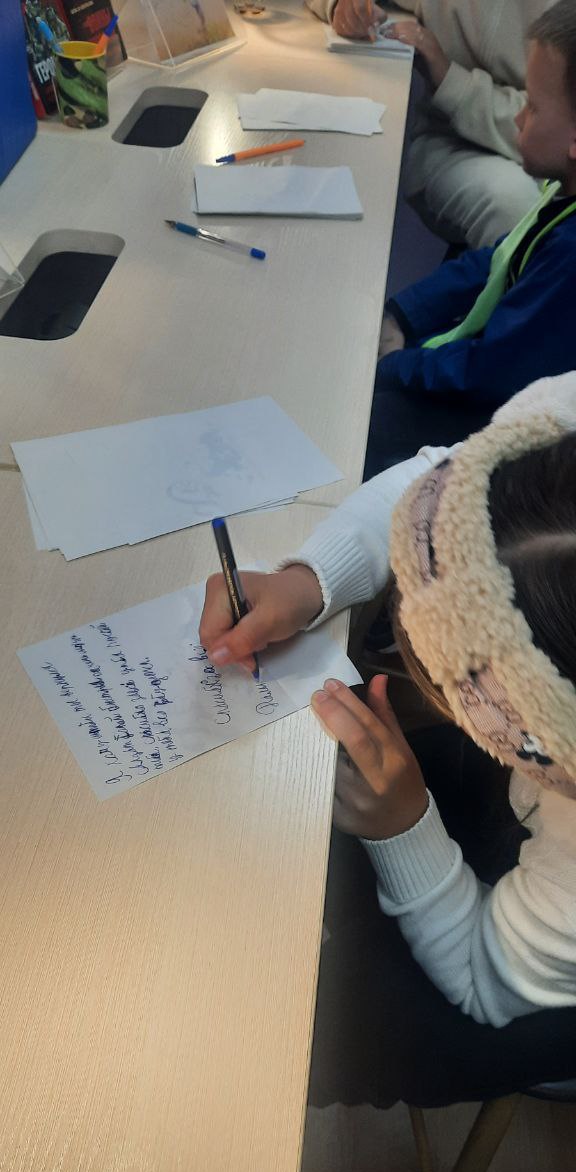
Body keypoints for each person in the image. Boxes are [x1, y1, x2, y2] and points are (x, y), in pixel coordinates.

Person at [198, 371, 576, 1106]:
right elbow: (448, 474)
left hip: (515, 975)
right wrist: (311, 581)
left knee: (301, 1037)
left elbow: (484, 978)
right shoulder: (554, 430)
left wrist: (403, 827)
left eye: (446, 676)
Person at [364, 0, 576, 478]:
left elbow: (487, 373)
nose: (518, 119)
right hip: (491, 374)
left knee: (364, 420)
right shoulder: (562, 196)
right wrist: (403, 313)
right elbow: (499, 260)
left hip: (497, 423)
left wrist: (397, 365)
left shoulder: (570, 256)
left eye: (532, 106)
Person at [306, 0, 552, 249]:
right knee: (510, 203)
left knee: (516, 209)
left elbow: (553, 123)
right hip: (449, 143)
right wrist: (341, 7)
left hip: (544, 155)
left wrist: (449, 78)